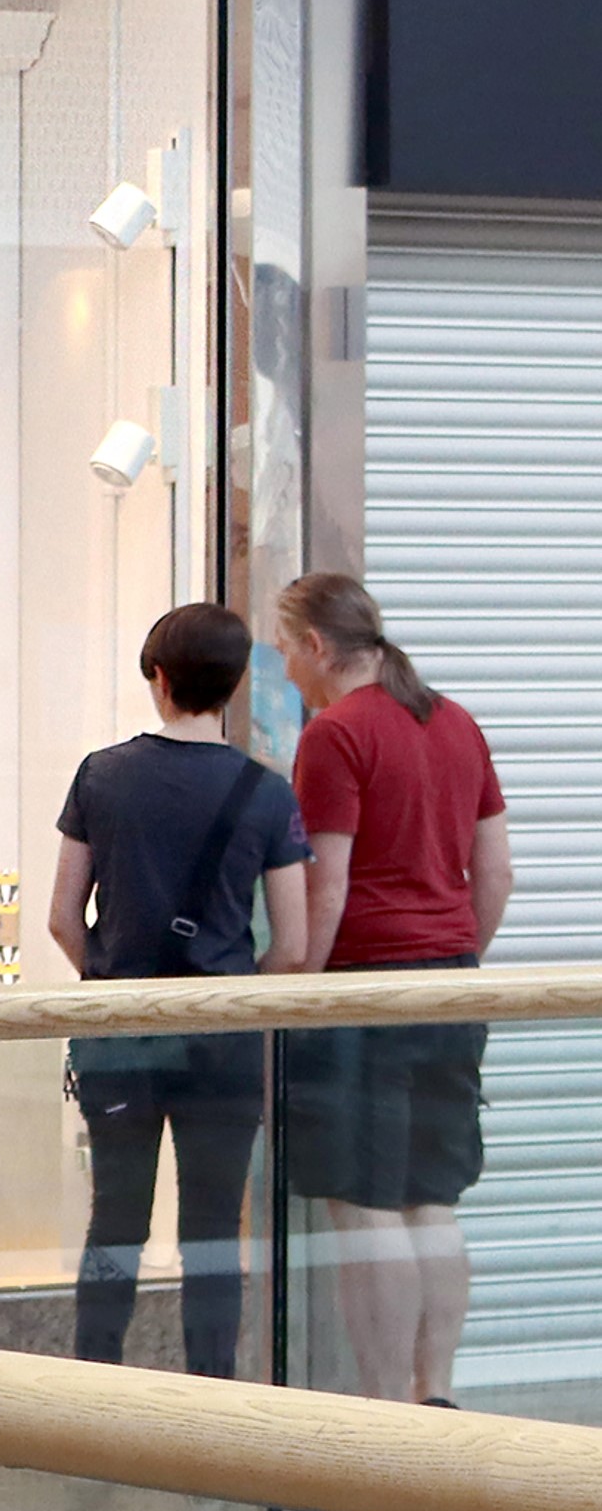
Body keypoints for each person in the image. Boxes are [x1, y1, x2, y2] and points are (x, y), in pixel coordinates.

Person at [48, 603, 311, 1379]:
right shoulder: (267, 794)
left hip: (120, 1033)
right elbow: (292, 947)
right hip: (224, 1045)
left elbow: (65, 918)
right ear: (232, 685)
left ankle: (94, 1385)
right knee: (210, 1232)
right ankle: (213, 1406)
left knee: (115, 1223)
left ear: (158, 678)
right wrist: (232, 998)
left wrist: (109, 981)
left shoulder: (102, 774)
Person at [275, 572, 514, 1406]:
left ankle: (378, 1410)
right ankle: (433, 1392)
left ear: (315, 646)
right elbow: (495, 873)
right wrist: (455, 956)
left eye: (284, 651)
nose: (284, 670)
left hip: (364, 994)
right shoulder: (455, 722)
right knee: (430, 1200)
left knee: (365, 1206)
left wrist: (301, 989)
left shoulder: (335, 736)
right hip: (451, 989)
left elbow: (327, 887)